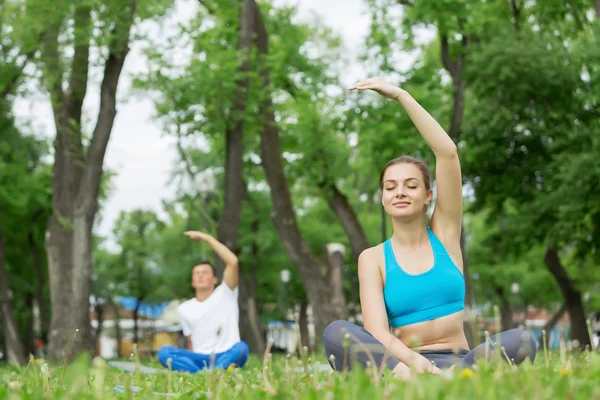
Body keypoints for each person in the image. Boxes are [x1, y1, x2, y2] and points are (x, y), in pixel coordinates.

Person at [322, 78, 536, 380]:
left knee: (523, 339)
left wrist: (401, 96)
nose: (400, 192)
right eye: (390, 187)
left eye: (411, 185)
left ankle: (453, 384)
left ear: (428, 196)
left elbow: (447, 152)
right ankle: (424, 387)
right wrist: (418, 366)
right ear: (383, 198)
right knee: (336, 333)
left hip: (464, 364)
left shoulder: (446, 235)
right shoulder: (373, 259)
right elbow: (377, 332)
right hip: (405, 368)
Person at [157, 231, 249, 373]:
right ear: (193, 281)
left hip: (224, 354)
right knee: (164, 352)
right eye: (197, 273)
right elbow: (190, 341)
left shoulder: (225, 293)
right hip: (199, 357)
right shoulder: (184, 309)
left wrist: (208, 239)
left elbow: (233, 262)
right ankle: (208, 373)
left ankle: (208, 372)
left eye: (205, 273)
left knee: (242, 348)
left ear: (214, 279)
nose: (200, 276)